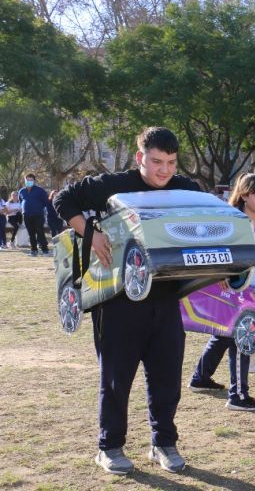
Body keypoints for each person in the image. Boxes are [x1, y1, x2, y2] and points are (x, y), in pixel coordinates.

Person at [53, 127, 195, 475]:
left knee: (166, 377)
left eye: (171, 162)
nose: (164, 170)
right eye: (157, 161)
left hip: (166, 299)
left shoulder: (187, 189)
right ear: (140, 157)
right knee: (116, 379)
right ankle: (109, 447)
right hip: (117, 303)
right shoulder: (112, 184)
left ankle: (163, 444)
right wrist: (91, 232)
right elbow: (63, 200)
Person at [188, 174, 255, 411]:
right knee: (241, 333)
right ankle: (238, 395)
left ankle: (200, 378)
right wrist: (220, 274)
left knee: (224, 333)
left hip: (247, 283)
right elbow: (212, 248)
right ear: (244, 194)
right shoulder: (230, 218)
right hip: (225, 283)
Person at [18, 173, 50, 256]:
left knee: (40, 232)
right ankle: (34, 250)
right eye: (27, 180)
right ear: (25, 181)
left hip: (38, 215)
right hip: (26, 215)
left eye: (31, 180)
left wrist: (38, 208)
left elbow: (45, 202)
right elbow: (21, 201)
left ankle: (45, 250)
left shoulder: (40, 190)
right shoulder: (22, 191)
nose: (29, 181)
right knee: (31, 233)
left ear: (34, 181)